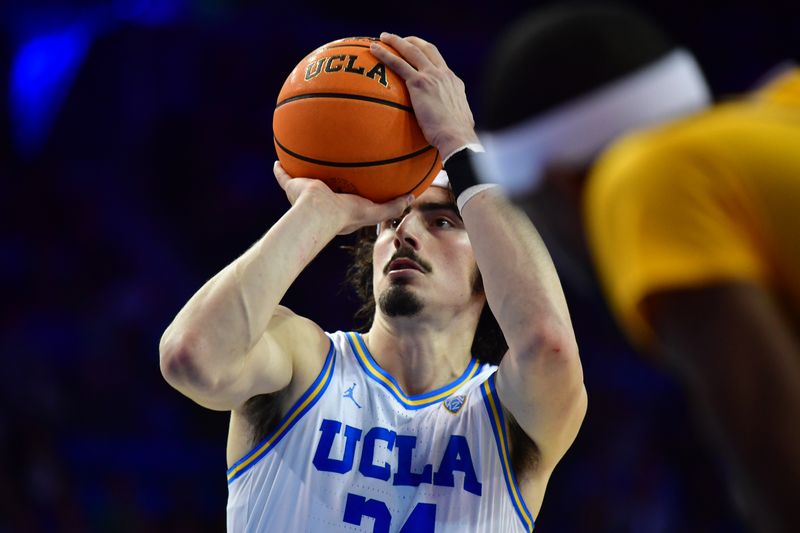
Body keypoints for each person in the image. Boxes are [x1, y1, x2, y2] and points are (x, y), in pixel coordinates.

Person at [159, 32, 587, 532]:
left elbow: (549, 346)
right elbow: (192, 356)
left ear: (490, 266)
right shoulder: (305, 362)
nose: (406, 231)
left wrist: (460, 145)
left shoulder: (510, 414)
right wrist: (318, 210)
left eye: (443, 221)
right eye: (392, 221)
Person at [473, 4, 800, 532]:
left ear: (562, 185)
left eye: (529, 214)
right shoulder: (778, 115)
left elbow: (784, 471)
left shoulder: (646, 181)